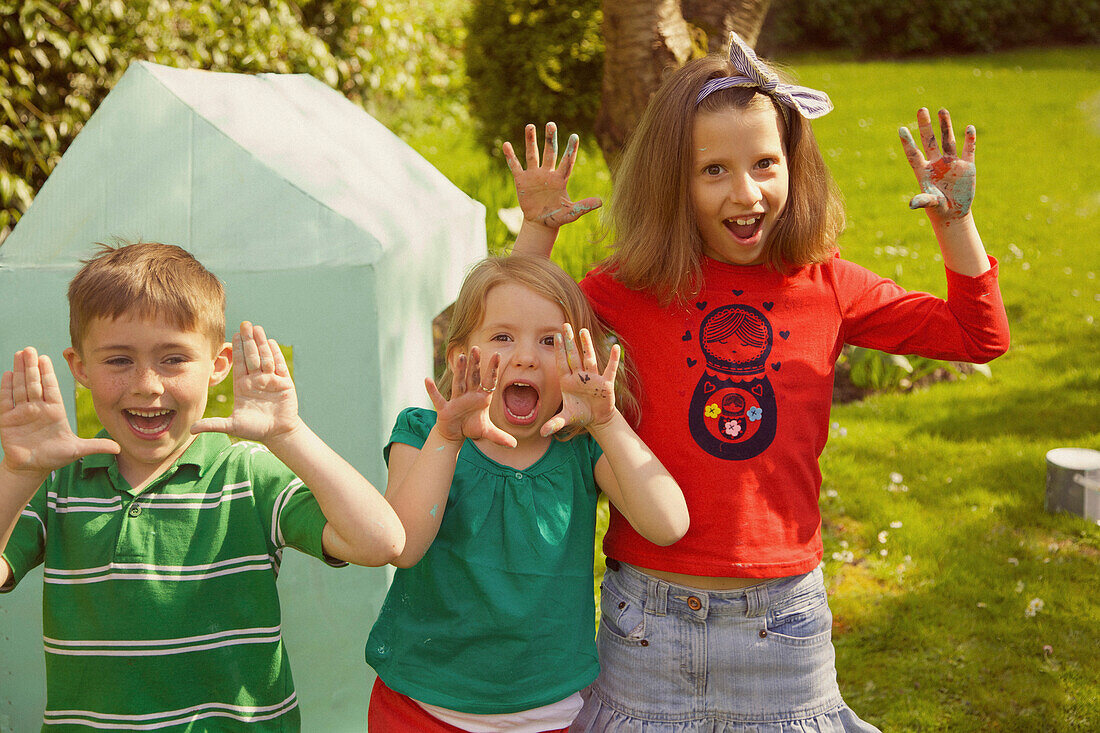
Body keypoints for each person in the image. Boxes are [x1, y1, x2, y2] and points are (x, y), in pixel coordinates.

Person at [503, 33, 1010, 732]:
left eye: (766, 164)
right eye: (714, 170)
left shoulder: (829, 284)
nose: (746, 193)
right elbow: (510, 346)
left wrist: (956, 222)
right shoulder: (629, 288)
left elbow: (977, 336)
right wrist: (537, 232)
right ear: (672, 181)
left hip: (783, 625)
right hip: (646, 623)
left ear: (795, 167)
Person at [0, 241, 405, 731]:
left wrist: (288, 435)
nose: (147, 384)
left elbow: (381, 541)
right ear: (80, 367)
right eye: (118, 361)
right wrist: (19, 473)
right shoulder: (54, 483)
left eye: (173, 359)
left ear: (218, 365)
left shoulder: (246, 472)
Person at [365, 255, 689, 732]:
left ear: (583, 359)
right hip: (418, 705)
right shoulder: (423, 432)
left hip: (549, 713)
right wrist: (448, 437)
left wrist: (606, 421)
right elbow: (403, 545)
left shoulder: (580, 448)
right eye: (502, 337)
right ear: (460, 358)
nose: (526, 357)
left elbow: (669, 524)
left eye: (550, 341)